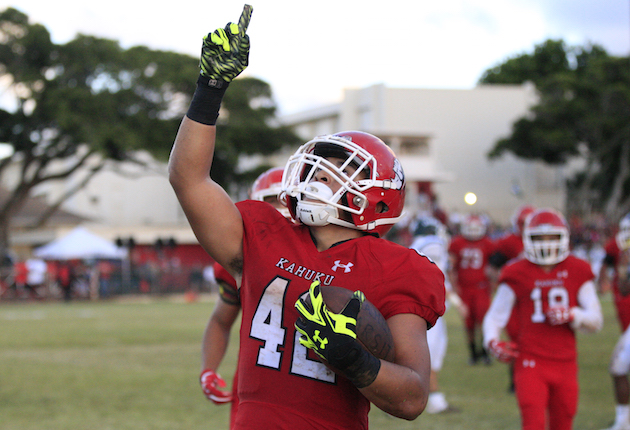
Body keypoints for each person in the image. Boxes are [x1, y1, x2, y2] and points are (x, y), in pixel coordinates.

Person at [169, 6, 445, 429]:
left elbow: (412, 398)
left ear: (380, 197)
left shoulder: (397, 268)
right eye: (319, 166)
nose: (319, 175)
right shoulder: (264, 234)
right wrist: (210, 89)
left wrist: (354, 359)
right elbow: (188, 179)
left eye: (342, 168)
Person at [483, 208, 603, 430]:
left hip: (566, 363)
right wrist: (491, 341)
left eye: (552, 237)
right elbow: (494, 317)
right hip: (531, 362)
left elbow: (596, 320)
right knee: (533, 423)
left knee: (563, 423)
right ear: (527, 239)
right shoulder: (516, 271)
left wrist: (572, 314)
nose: (546, 243)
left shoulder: (577, 269)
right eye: (539, 238)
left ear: (564, 238)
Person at [199, 166, 289, 429]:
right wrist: (208, 369)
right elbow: (220, 320)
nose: (276, 212)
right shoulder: (242, 257)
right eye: (269, 203)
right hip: (254, 387)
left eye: (282, 202)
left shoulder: (331, 257)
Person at [409, 215, 467, 414]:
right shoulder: (432, 245)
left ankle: (424, 398)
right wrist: (459, 303)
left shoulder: (415, 246)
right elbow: (438, 278)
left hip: (422, 309)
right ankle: (434, 401)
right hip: (428, 311)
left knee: (430, 355)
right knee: (430, 356)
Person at [487, 204, 536, 392]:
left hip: (537, 297)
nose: (526, 228)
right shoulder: (510, 242)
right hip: (515, 298)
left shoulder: (539, 239)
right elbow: (493, 266)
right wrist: (503, 284)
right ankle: (515, 380)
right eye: (523, 224)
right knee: (516, 337)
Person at [448, 213, 495, 364]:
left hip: (481, 288)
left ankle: (485, 352)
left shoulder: (488, 243)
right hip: (465, 289)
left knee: (483, 321)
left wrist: (492, 285)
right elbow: (451, 267)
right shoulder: (457, 243)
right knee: (468, 323)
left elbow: (494, 268)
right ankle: (474, 353)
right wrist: (455, 287)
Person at [599, 213, 630, 430]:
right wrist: (623, 267)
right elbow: (623, 289)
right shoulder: (621, 254)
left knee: (618, 365)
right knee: (618, 366)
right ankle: (623, 422)